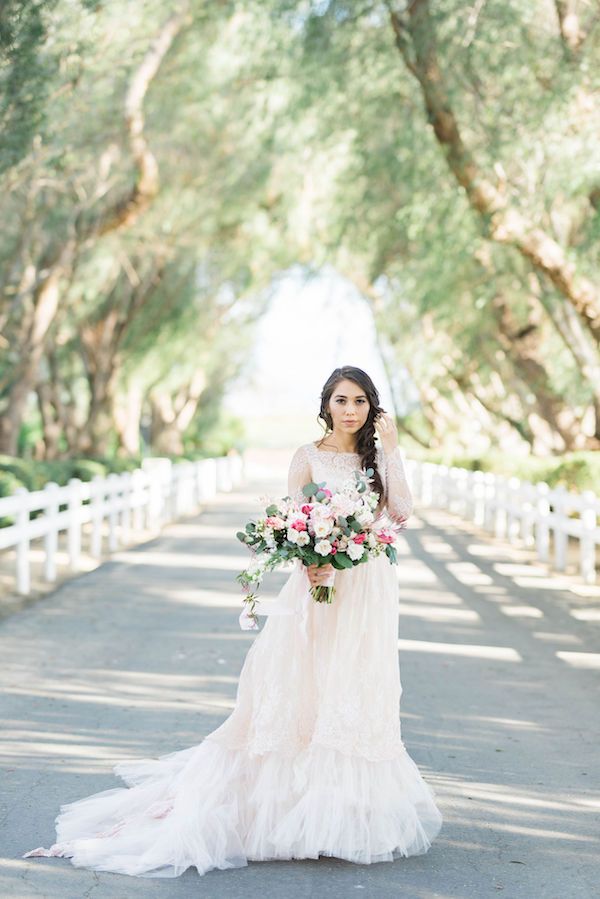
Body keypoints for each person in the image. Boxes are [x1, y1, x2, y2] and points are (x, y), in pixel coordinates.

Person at [23, 365, 443, 877]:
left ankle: (342, 813)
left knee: (354, 683)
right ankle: (286, 809)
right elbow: (293, 520)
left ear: (372, 406)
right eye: (340, 400)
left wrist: (393, 448)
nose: (350, 410)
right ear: (326, 405)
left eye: (359, 401)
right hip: (318, 582)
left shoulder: (378, 457)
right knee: (301, 680)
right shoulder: (307, 456)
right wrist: (312, 560)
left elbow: (400, 512)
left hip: (369, 585)